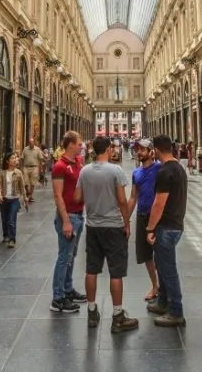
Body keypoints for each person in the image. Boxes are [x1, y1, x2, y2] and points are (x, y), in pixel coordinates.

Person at [74, 136, 138, 332]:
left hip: (92, 226)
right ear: (109, 149)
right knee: (116, 272)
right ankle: (117, 316)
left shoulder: (84, 171)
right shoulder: (115, 170)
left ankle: (92, 312)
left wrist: (93, 195)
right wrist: (126, 222)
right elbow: (122, 200)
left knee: (91, 270)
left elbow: (77, 197)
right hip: (113, 226)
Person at [146, 135, 188, 327]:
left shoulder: (165, 171)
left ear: (155, 150)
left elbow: (159, 204)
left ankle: (176, 311)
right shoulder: (178, 168)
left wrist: (150, 228)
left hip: (167, 226)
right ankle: (163, 302)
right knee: (162, 265)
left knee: (168, 269)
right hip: (176, 224)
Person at [49, 130, 87, 313]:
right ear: (70, 144)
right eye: (79, 144)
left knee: (71, 256)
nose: (82, 146)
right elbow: (58, 195)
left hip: (78, 215)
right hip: (68, 217)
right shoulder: (60, 166)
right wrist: (65, 221)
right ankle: (57, 298)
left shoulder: (78, 161)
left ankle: (68, 289)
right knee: (64, 257)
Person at [128, 138, 162, 302]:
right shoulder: (136, 173)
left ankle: (165, 288)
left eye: (142, 149)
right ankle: (155, 286)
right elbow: (133, 198)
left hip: (157, 218)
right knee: (146, 255)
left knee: (161, 254)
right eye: (138, 149)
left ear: (151, 151)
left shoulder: (159, 168)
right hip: (142, 217)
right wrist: (125, 220)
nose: (139, 152)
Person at [0, 151, 26, 247]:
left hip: (14, 199)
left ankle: (12, 239)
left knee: (11, 219)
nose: (15, 160)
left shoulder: (18, 172)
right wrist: (0, 195)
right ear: (7, 161)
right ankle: (6, 235)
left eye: (15, 158)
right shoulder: (2, 173)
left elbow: (22, 186)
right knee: (5, 219)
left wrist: (25, 198)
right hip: (4, 199)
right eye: (12, 158)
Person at [21, 137, 44, 203]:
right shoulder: (25, 149)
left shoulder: (37, 149)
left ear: (34, 143)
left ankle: (30, 196)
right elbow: (22, 158)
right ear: (28, 143)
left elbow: (40, 159)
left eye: (32, 142)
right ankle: (28, 192)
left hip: (34, 167)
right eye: (30, 143)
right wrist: (21, 167)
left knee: (33, 183)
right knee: (25, 182)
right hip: (26, 167)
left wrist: (41, 168)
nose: (31, 144)